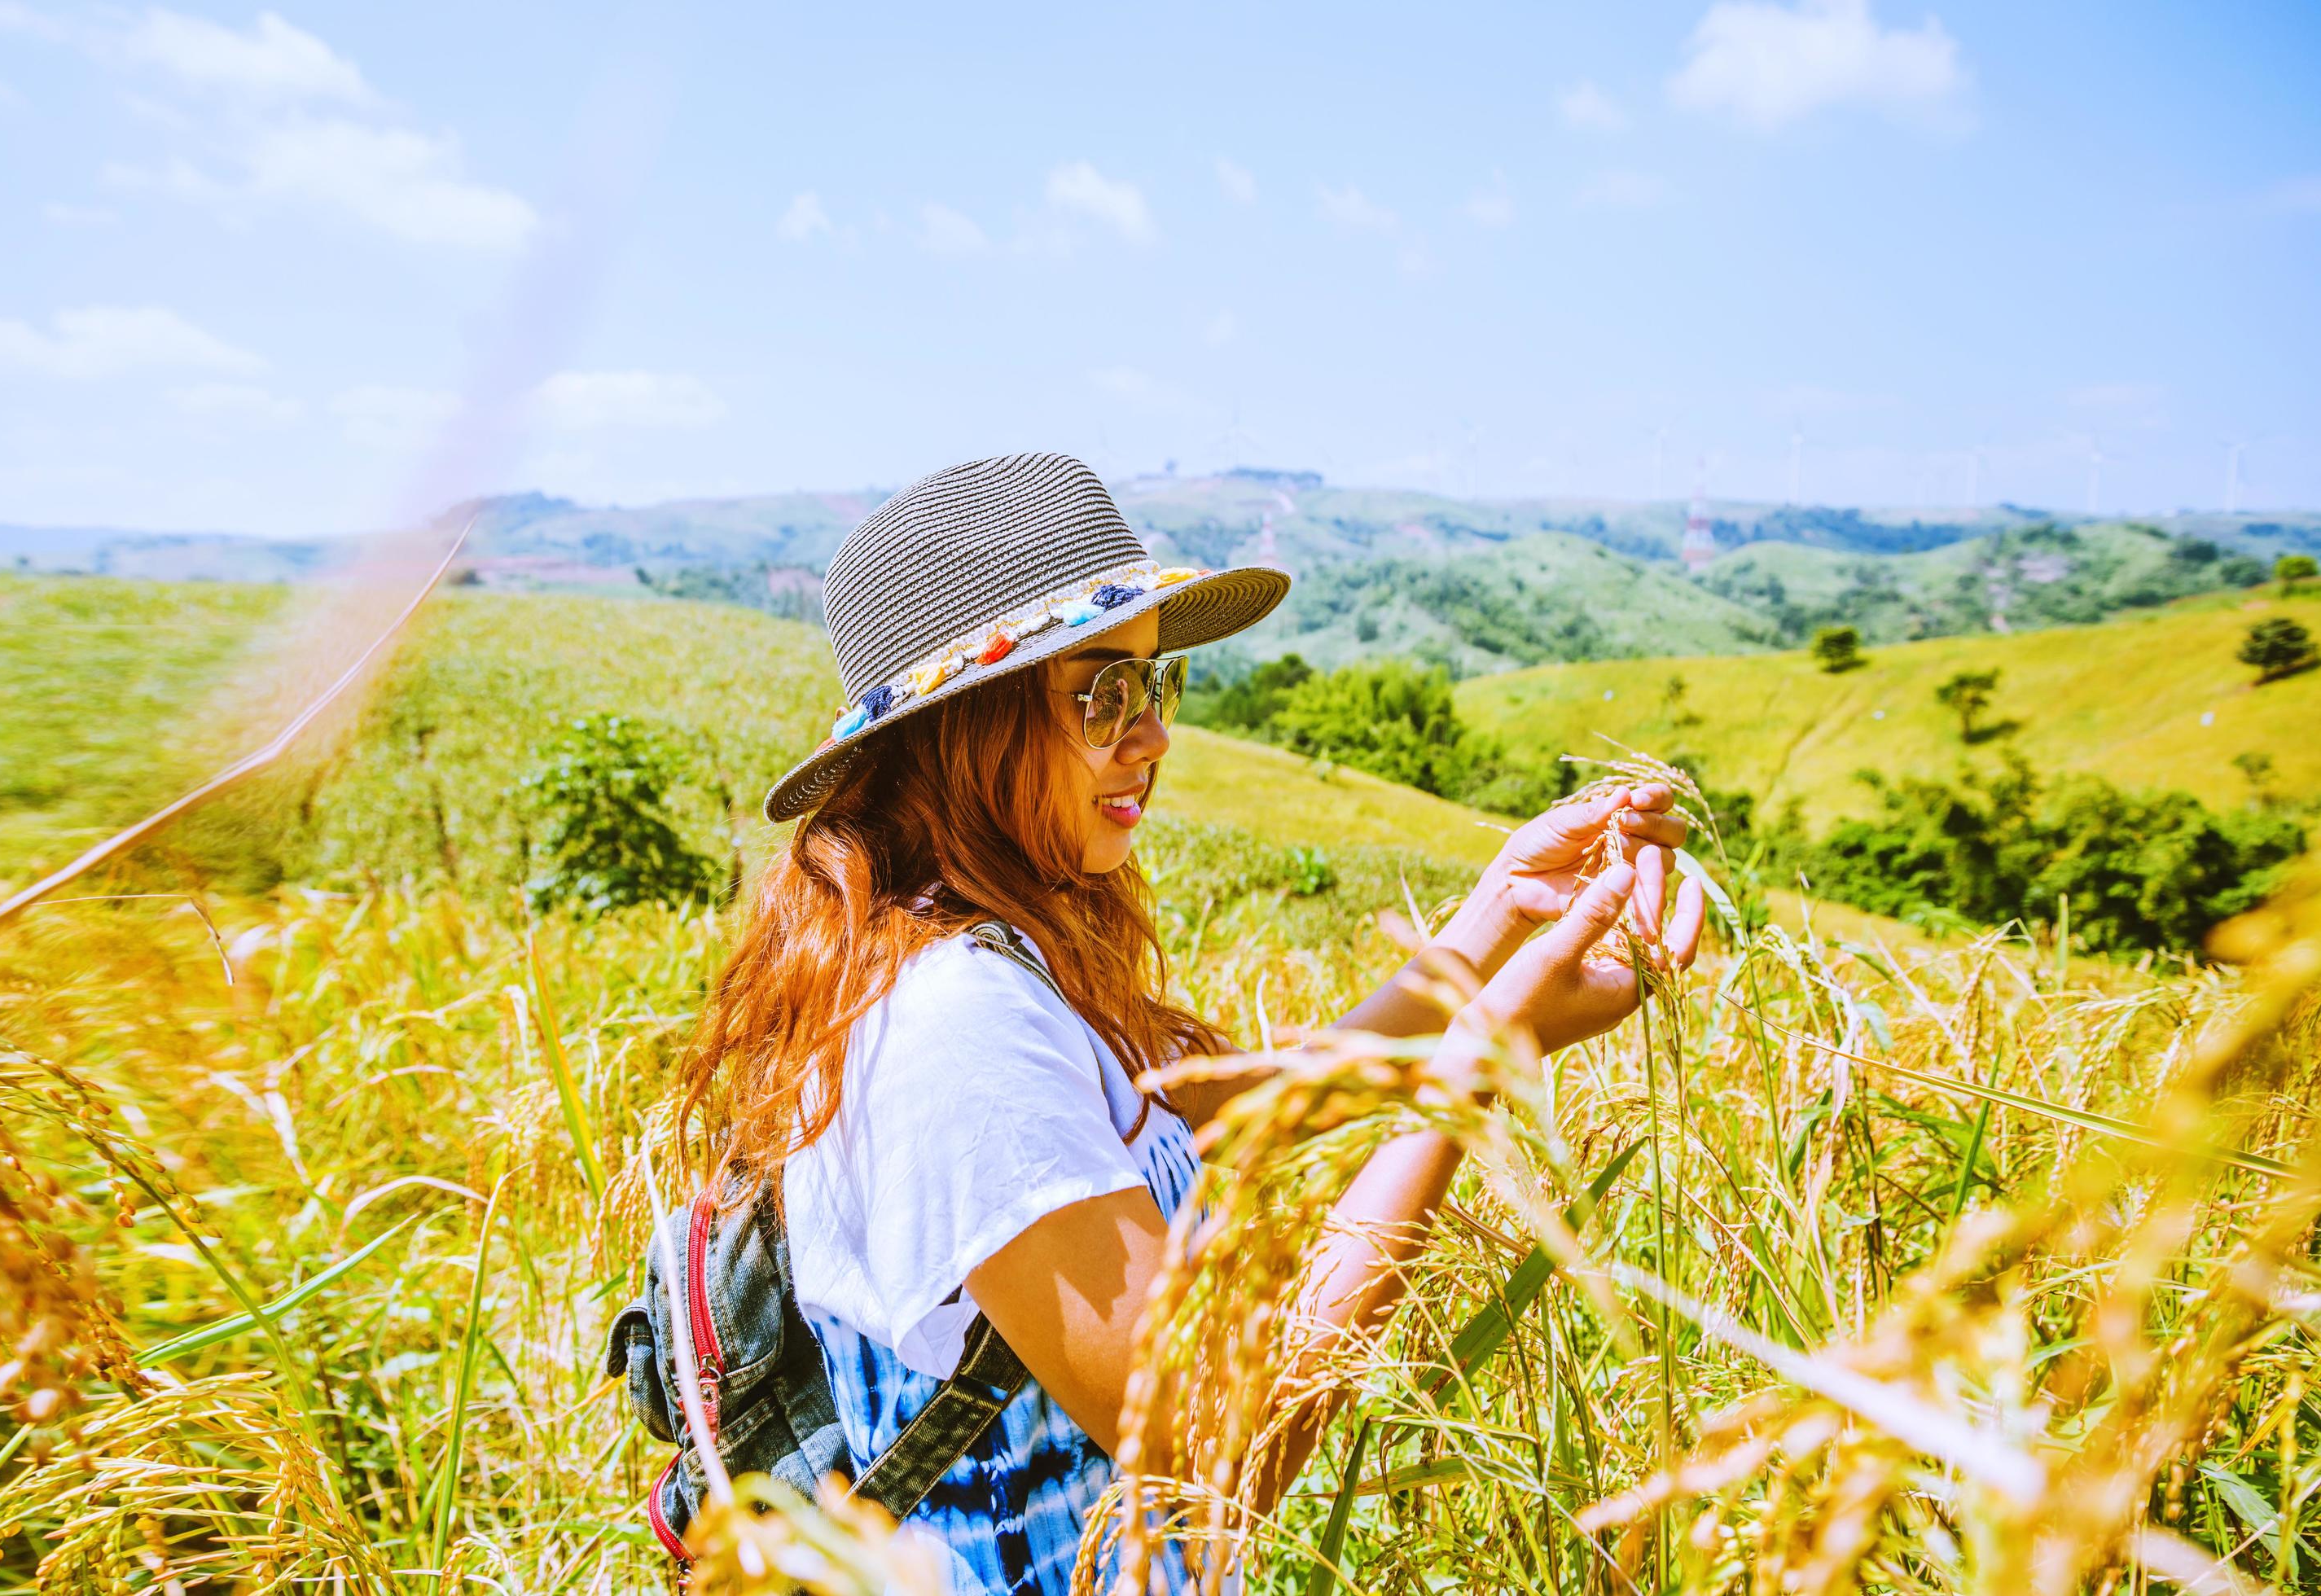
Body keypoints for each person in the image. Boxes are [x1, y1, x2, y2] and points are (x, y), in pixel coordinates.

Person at [674, 453, 1701, 1594]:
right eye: (1099, 693)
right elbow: (1228, 1445)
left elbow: (1192, 1117)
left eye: (1152, 689)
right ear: (961, 732)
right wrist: (1477, 1063)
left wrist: (1493, 918)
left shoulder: (981, 949)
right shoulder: (953, 1022)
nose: (1150, 737)